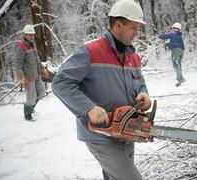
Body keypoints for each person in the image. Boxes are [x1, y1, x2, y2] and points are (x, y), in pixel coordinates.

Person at [52, 0, 151, 179]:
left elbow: (140, 83)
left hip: (126, 128)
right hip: (100, 133)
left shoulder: (133, 56)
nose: (137, 33)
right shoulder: (90, 52)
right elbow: (60, 83)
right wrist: (89, 108)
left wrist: (144, 94)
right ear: (118, 24)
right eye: (134, 27)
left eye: (138, 28)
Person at [15, 24, 48, 121]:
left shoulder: (33, 44)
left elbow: (37, 58)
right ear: (25, 34)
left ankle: (32, 107)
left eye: (32, 34)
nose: (31, 36)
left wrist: (42, 69)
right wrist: (21, 77)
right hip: (28, 78)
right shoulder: (21, 47)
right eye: (29, 34)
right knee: (31, 97)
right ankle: (27, 115)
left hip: (36, 74)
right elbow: (18, 64)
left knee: (42, 92)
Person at [158, 22, 185, 87]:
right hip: (181, 50)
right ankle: (180, 77)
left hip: (176, 50)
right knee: (178, 64)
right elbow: (173, 43)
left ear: (175, 28)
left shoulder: (173, 33)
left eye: (172, 28)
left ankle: (180, 79)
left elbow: (164, 36)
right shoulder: (178, 35)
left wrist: (159, 36)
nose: (171, 29)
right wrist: (165, 45)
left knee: (175, 64)